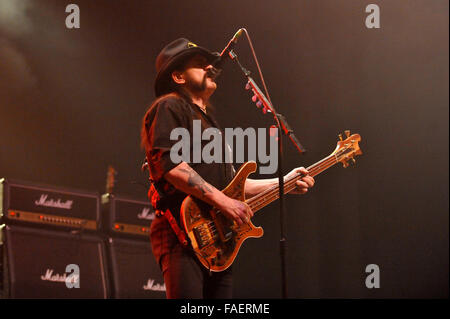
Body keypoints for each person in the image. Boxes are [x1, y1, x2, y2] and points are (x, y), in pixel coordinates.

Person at [141, 38, 315, 299]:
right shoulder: (169, 106)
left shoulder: (209, 123)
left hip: (217, 240)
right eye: (199, 65)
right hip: (182, 232)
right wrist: (223, 201)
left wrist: (284, 183)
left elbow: (233, 185)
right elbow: (173, 167)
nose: (210, 67)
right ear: (178, 76)